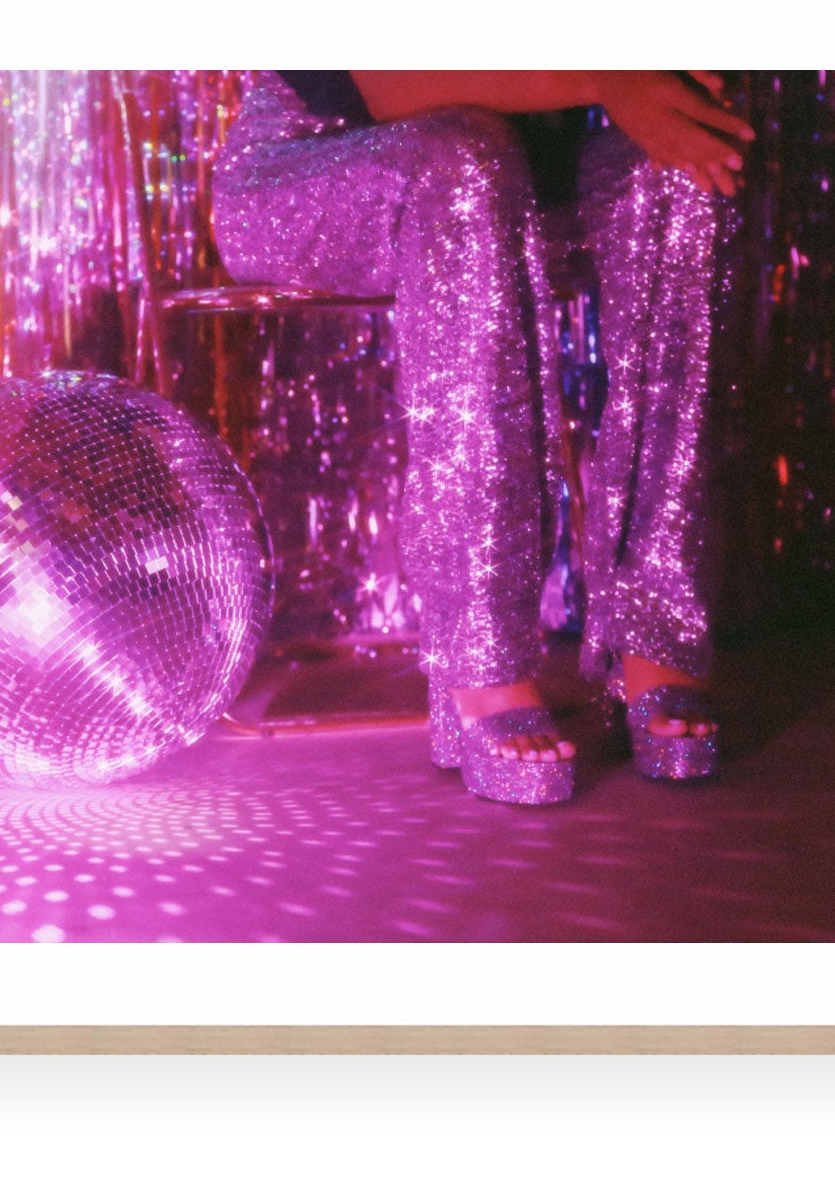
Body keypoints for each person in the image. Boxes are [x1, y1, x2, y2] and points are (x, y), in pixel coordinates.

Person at [210, 71, 751, 805]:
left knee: (681, 173)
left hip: (520, 188)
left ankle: (656, 630)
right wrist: (607, 75)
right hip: (307, 172)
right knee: (464, 156)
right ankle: (479, 656)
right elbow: (380, 87)